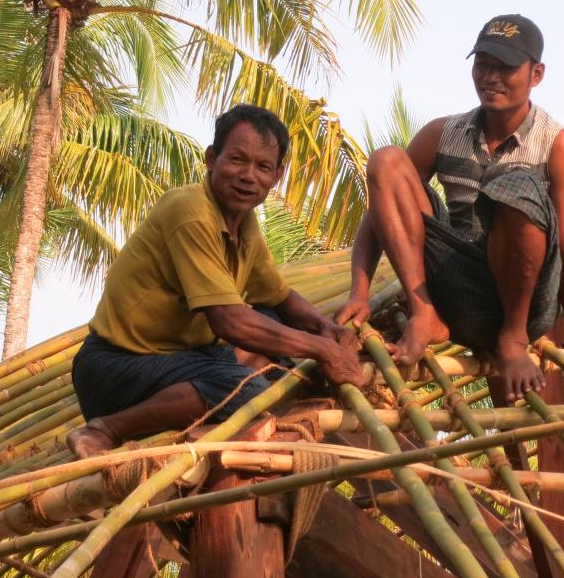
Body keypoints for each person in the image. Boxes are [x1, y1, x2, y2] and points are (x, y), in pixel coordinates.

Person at [336, 14, 564, 407]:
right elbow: (382, 200)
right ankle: (425, 313)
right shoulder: (444, 132)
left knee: (516, 189)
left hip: (519, 304)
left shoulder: (560, 146)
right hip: (457, 289)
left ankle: (512, 339)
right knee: (386, 161)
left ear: (536, 74)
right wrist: (360, 290)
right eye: (483, 64)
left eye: (505, 67)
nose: (491, 77)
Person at [68, 104, 364, 458]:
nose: (248, 176)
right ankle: (105, 428)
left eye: (263, 167)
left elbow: (279, 297)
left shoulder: (245, 224)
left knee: (275, 323)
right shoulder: (190, 210)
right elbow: (228, 320)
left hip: (183, 357)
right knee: (239, 388)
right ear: (212, 158)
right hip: (118, 368)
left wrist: (322, 327)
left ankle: (229, 388)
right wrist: (322, 349)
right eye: (238, 160)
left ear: (277, 176)